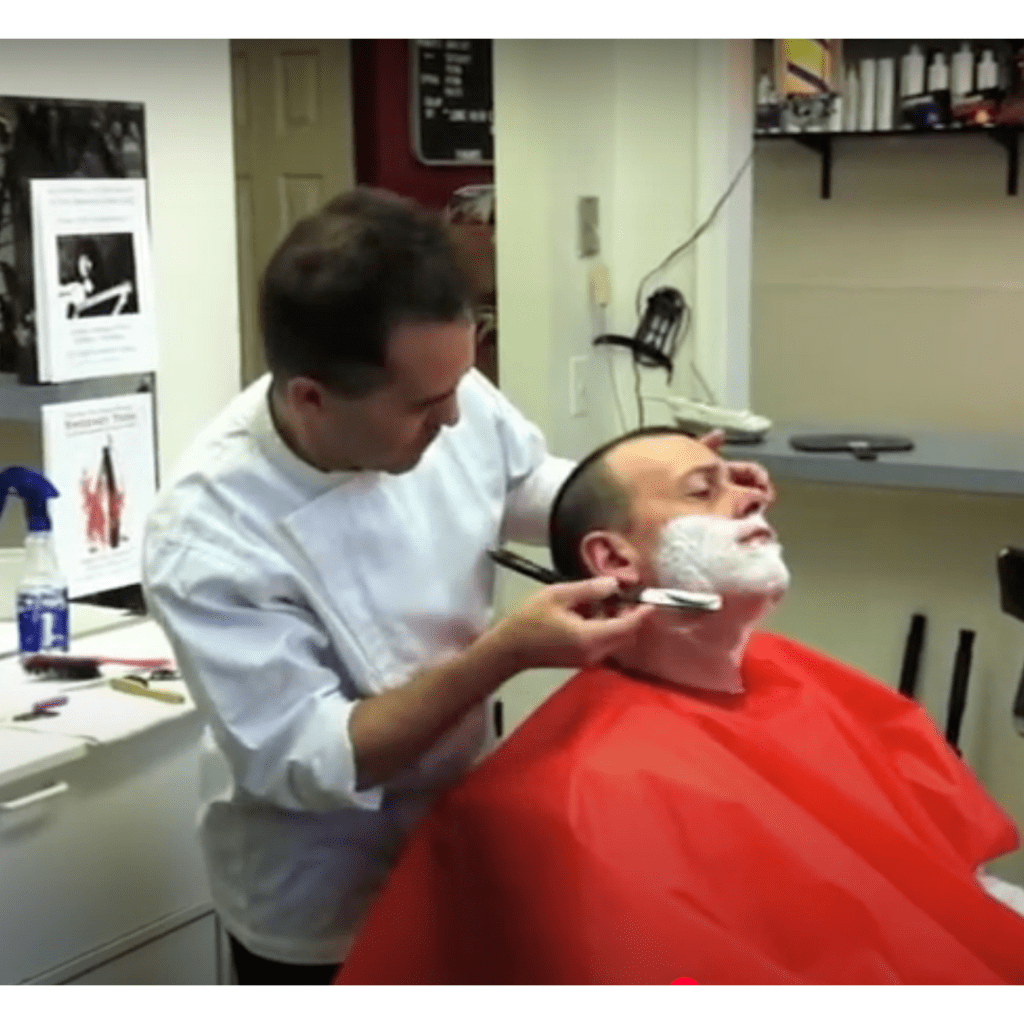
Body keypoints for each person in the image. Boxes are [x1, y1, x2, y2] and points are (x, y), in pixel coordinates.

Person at [141, 188, 771, 984]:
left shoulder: (444, 384)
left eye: (459, 389)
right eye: (425, 406)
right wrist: (504, 654)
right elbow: (309, 759)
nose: (451, 423)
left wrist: (668, 500)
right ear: (311, 397)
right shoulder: (209, 537)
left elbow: (518, 483)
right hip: (322, 894)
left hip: (460, 826)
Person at [335, 426, 1024, 985]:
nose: (751, 500)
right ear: (613, 560)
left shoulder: (801, 681)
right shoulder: (568, 797)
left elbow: (957, 887)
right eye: (704, 490)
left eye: (739, 482)